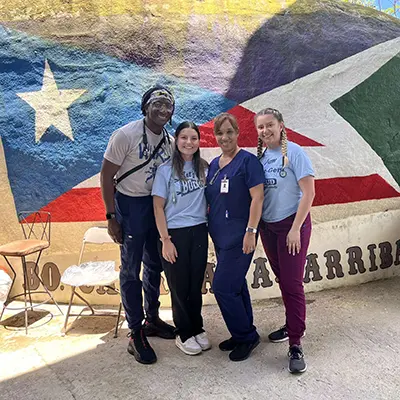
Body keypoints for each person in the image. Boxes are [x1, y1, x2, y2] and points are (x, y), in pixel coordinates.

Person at [100, 86, 177, 365]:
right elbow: (107, 175)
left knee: (155, 265)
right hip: (130, 206)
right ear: (146, 106)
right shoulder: (125, 135)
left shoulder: (169, 141)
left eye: (168, 105)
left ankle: (152, 318)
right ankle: (134, 332)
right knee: (131, 269)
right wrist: (111, 217)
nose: (162, 109)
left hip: (154, 206)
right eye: (157, 103)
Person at [255, 107, 315, 374]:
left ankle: (295, 343)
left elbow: (309, 193)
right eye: (260, 127)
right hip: (269, 229)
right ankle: (292, 323)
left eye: (270, 125)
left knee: (292, 284)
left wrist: (295, 228)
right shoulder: (261, 158)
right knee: (283, 279)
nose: (265, 131)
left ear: (281, 126)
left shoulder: (294, 153)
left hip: (293, 227)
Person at [205, 113, 264, 362]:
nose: (225, 137)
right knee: (236, 285)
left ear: (238, 132)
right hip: (220, 237)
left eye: (229, 131)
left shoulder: (248, 162)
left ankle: (246, 335)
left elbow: (258, 198)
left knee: (222, 287)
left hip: (241, 237)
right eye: (220, 133)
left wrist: (251, 231)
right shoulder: (213, 165)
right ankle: (243, 332)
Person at [152, 121, 211, 356]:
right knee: (178, 285)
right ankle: (183, 332)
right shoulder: (165, 170)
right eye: (184, 137)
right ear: (176, 141)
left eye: (194, 138)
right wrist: (165, 239)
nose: (189, 142)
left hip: (198, 230)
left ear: (199, 141)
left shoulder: (205, 168)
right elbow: (157, 206)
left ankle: (196, 327)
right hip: (174, 233)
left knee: (195, 284)